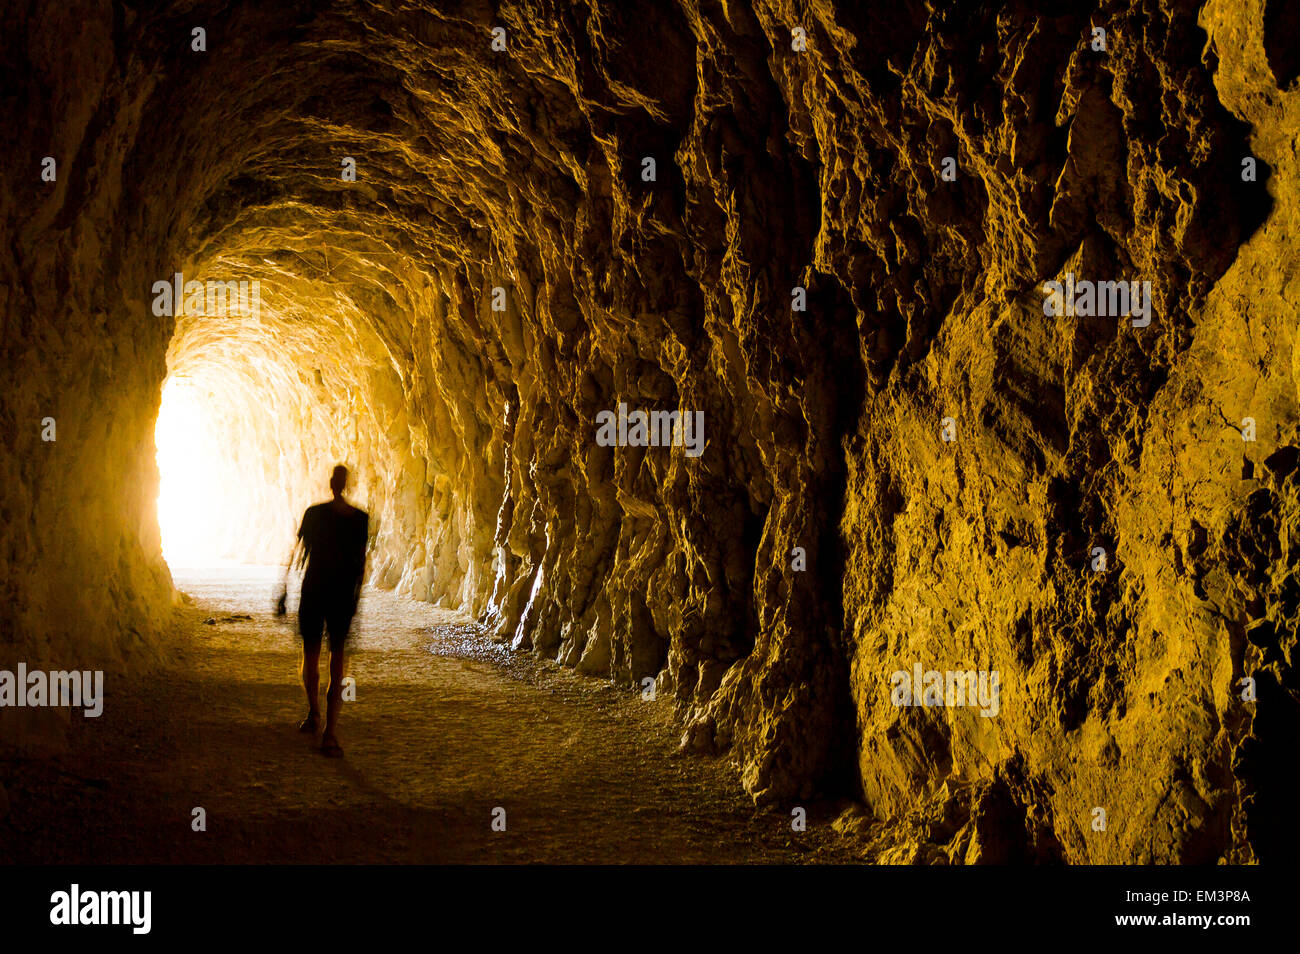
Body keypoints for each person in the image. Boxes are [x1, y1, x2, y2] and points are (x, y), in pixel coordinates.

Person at [276, 465, 369, 757]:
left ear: (331, 483)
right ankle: (330, 732)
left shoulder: (313, 514)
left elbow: (298, 554)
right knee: (337, 663)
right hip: (341, 595)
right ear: (347, 484)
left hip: (315, 590)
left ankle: (314, 714)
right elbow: (360, 563)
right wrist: (356, 597)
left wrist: (283, 591)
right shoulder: (361, 520)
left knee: (311, 655)